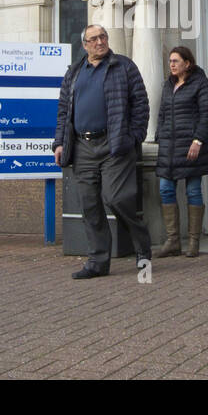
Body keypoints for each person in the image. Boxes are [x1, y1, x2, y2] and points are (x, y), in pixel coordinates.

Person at [53, 24, 153, 279]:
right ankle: (98, 262)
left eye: (103, 37)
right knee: (90, 205)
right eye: (94, 39)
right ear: (84, 45)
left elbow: (141, 103)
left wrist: (134, 137)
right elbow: (64, 110)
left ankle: (142, 246)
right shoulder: (74, 72)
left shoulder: (124, 66)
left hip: (114, 144)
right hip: (82, 146)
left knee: (116, 198)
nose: (100, 42)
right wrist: (59, 143)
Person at [153, 45, 208, 258]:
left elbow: (207, 114)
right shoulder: (167, 85)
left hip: (190, 147)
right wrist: (160, 136)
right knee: (165, 189)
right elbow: (162, 113)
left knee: (193, 191)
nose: (171, 64)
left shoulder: (200, 83)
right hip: (169, 148)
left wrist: (198, 140)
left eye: (175, 61)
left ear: (187, 63)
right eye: (170, 61)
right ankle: (173, 241)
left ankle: (193, 241)